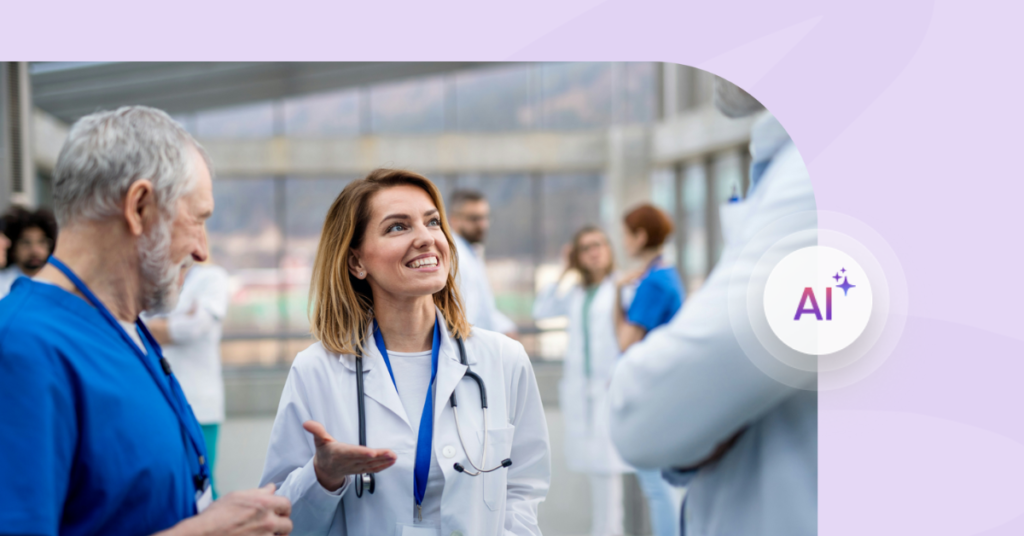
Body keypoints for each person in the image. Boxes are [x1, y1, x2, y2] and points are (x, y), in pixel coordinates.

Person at [0, 106, 292, 535]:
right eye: (198, 219)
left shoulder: (125, 326)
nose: (202, 251)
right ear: (139, 207)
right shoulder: (22, 349)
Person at [260, 169, 551, 536]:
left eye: (432, 222)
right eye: (398, 227)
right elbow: (279, 521)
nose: (427, 239)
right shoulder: (316, 371)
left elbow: (523, 491)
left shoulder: (504, 360)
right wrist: (322, 477)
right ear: (356, 262)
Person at [609, 77, 817, 536]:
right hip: (713, 426)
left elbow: (642, 409)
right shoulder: (663, 277)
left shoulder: (812, 180)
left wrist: (690, 411)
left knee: (655, 498)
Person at [532, 226, 632, 536]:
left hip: (612, 392)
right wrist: (564, 272)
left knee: (611, 484)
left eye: (600, 245)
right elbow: (542, 310)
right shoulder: (578, 293)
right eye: (586, 248)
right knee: (599, 477)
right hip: (584, 394)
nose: (595, 252)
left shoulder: (623, 287)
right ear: (578, 257)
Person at [614, 204, 684, 536]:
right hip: (665, 389)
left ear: (640, 236)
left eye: (627, 234)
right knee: (662, 486)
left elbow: (626, 341)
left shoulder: (652, 283)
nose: (623, 241)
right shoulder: (663, 274)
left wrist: (615, 293)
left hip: (653, 392)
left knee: (658, 487)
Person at [145, 262, 231, 499]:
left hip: (201, 404)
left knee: (202, 486)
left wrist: (157, 326)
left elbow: (196, 327)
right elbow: (133, 325)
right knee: (168, 485)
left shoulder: (212, 278)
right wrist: (182, 317)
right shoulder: (154, 275)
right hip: (160, 401)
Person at [447, 189, 518, 336]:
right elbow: (465, 314)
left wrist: (505, 327)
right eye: (474, 218)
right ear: (454, 220)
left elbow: (483, 308)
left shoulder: (472, 252)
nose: (482, 224)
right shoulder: (453, 257)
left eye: (485, 217)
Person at [0, 206, 58, 298]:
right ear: (13, 247)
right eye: (26, 243)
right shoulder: (2, 282)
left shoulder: (59, 281)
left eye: (41, 242)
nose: (35, 250)